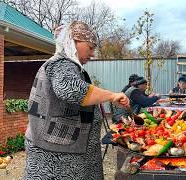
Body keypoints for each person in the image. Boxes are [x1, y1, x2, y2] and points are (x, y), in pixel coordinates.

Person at [23, 21, 129, 180]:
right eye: (90, 47)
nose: (93, 54)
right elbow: (70, 89)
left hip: (63, 151)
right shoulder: (61, 64)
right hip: (58, 159)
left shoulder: (65, 65)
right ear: (73, 42)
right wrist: (112, 95)